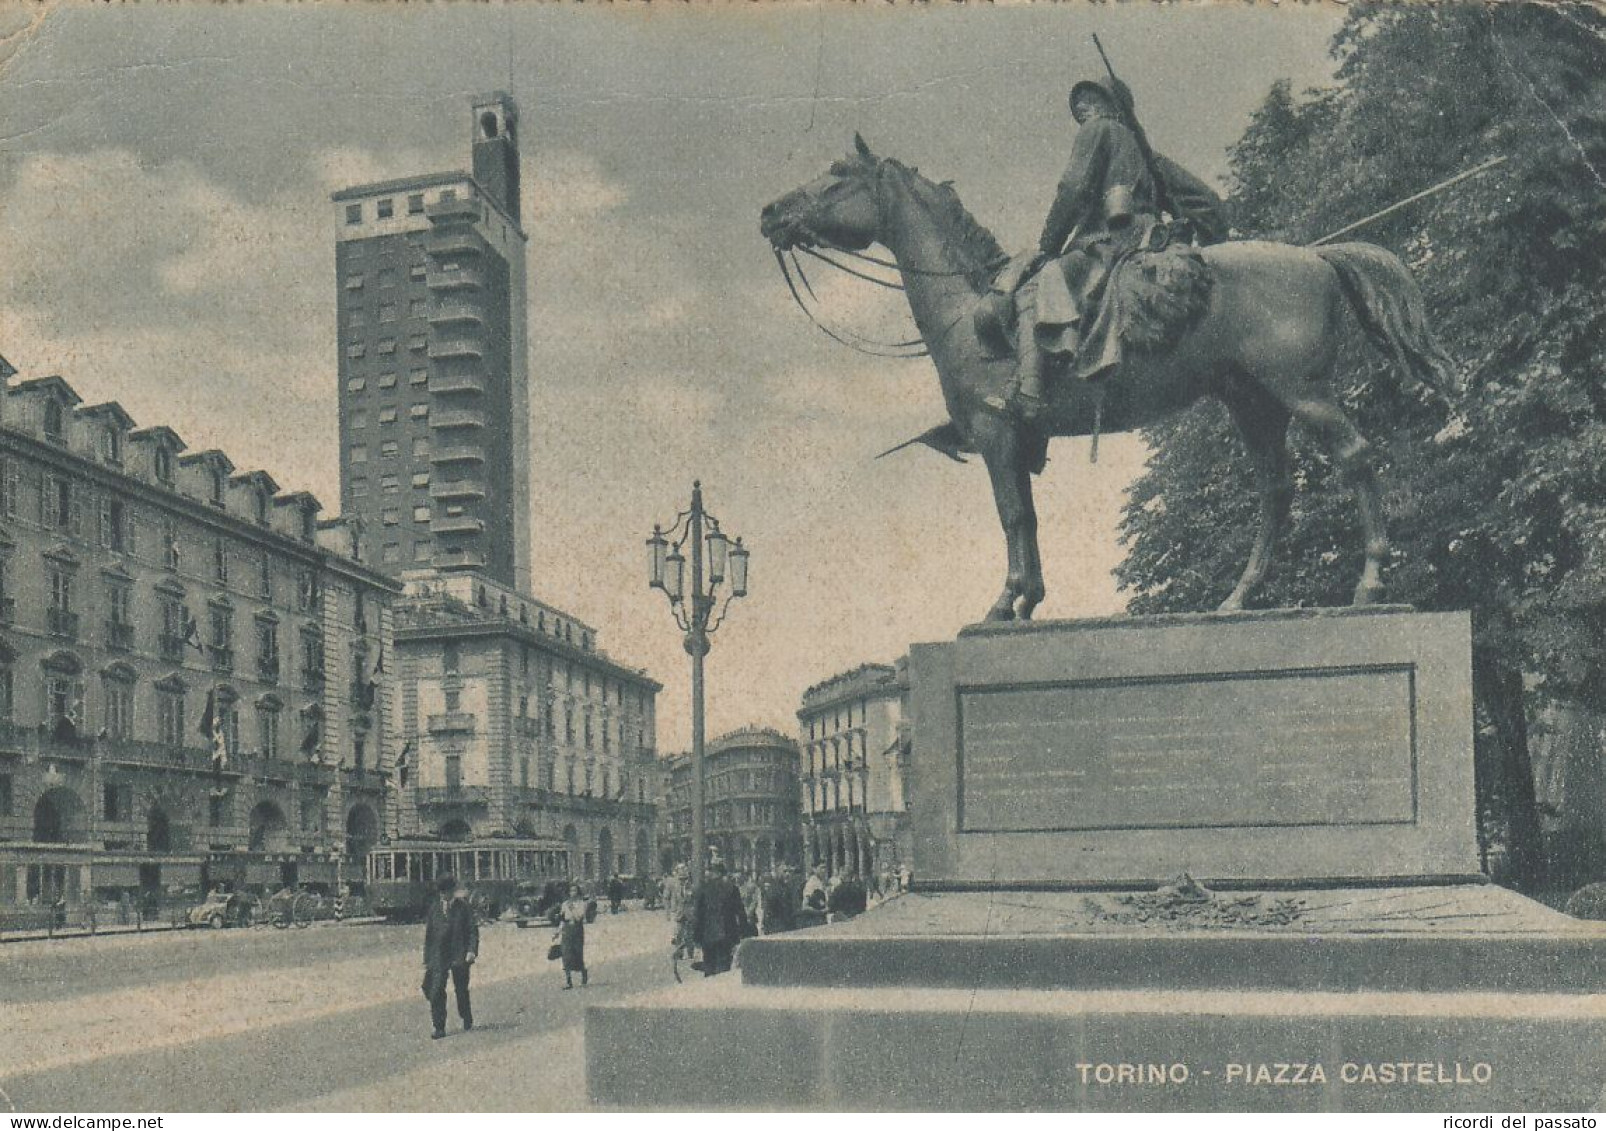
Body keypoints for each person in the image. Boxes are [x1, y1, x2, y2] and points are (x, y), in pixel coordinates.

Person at [998, 76, 1225, 420]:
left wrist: (1048, 246)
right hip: (1152, 239)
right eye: (1079, 106)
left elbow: (1073, 190)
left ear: (1109, 106)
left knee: (1036, 285)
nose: (1081, 109)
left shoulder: (1097, 130)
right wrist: (1209, 242)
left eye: (1088, 101)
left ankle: (1030, 392)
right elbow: (1207, 201)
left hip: (1108, 242)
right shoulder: (1151, 159)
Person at [422, 874, 478, 1039]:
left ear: (453, 891)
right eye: (441, 893)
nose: (443, 896)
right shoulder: (435, 908)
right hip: (439, 956)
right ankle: (439, 1027)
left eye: (446, 892)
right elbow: (429, 935)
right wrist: (427, 959)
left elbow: (472, 931)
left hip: (459, 954)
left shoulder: (463, 908)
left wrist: (471, 951)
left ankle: (466, 1016)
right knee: (436, 989)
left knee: (461, 990)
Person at [691, 861, 749, 976]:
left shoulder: (703, 889)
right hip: (727, 934)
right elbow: (741, 912)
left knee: (709, 966)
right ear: (723, 874)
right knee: (724, 967)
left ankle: (710, 990)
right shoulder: (732, 889)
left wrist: (696, 937)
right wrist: (743, 933)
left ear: (712, 873)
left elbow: (698, 915)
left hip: (708, 935)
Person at [557, 883, 589, 989]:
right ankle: (568, 981)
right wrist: (557, 932)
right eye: (571, 891)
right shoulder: (565, 904)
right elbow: (562, 919)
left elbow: (579, 917)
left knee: (577, 954)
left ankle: (583, 972)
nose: (572, 893)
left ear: (578, 892)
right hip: (567, 931)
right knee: (566, 954)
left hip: (577, 930)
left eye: (575, 890)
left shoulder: (581, 904)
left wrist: (572, 909)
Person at [760, 865, 797, 935]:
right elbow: (767, 910)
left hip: (787, 927)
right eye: (785, 871)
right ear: (778, 872)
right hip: (776, 928)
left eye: (789, 871)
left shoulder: (788, 888)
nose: (787, 874)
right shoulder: (773, 889)